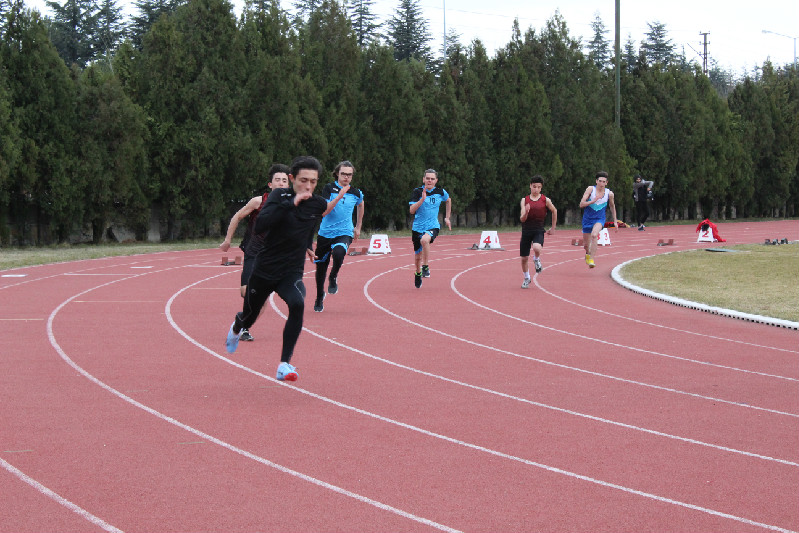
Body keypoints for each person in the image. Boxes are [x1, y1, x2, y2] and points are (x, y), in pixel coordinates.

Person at [224, 156, 348, 382]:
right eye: (303, 180)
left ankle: (284, 364)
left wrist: (308, 246)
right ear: (292, 179)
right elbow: (261, 225)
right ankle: (237, 326)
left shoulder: (318, 204)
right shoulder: (278, 196)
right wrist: (291, 203)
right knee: (249, 316)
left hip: (290, 271)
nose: (308, 186)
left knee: (298, 303)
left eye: (313, 181)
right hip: (264, 269)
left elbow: (307, 226)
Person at [219, 164, 290, 341]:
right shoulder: (258, 201)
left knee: (261, 298)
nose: (281, 183)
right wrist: (228, 240)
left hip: (272, 257)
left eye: (284, 180)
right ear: (270, 184)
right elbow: (237, 216)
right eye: (277, 180)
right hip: (254, 252)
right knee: (246, 291)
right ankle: (244, 318)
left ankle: (244, 327)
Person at [313, 160, 364, 312]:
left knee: (339, 252)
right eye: (343, 174)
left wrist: (358, 226)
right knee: (320, 268)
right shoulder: (328, 189)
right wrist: (339, 196)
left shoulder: (356, 192)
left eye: (350, 175)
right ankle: (319, 296)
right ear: (337, 174)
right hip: (325, 233)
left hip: (345, 232)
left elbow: (361, 205)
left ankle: (333, 276)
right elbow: (324, 212)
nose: (346, 177)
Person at [409, 169, 451, 288]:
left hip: (433, 226)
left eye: (432, 179)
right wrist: (422, 200)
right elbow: (412, 210)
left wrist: (447, 217)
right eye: (427, 178)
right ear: (423, 179)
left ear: (436, 181)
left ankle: (425, 266)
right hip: (417, 228)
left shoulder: (440, 192)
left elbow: (448, 200)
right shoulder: (417, 192)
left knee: (424, 240)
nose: (430, 181)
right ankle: (418, 273)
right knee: (417, 257)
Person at [519, 175, 557, 288]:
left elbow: (554, 211)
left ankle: (536, 258)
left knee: (536, 247)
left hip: (538, 230)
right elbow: (522, 219)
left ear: (541, 188)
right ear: (530, 186)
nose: (536, 189)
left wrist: (553, 228)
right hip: (526, 230)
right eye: (534, 186)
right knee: (524, 258)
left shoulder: (545, 200)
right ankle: (527, 278)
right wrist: (526, 212)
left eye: (539, 187)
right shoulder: (524, 200)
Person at [579, 171, 618, 268]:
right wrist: (593, 200)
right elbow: (581, 204)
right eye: (600, 181)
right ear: (596, 181)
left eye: (604, 182)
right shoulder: (590, 189)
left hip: (599, 219)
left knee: (594, 235)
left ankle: (592, 259)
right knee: (586, 245)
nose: (601, 184)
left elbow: (612, 206)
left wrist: (615, 221)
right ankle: (588, 253)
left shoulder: (609, 194)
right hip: (587, 219)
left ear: (606, 183)